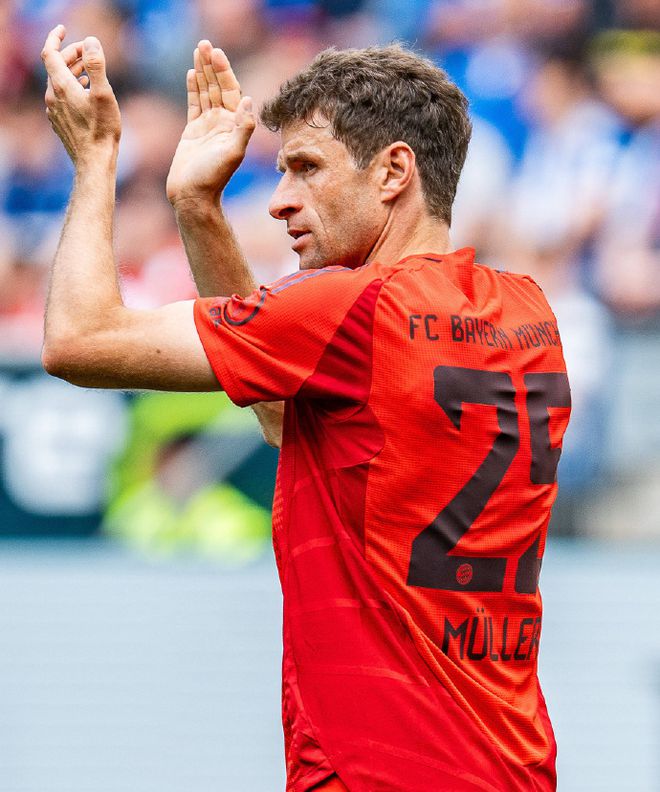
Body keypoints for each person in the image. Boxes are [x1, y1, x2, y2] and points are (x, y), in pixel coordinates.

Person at [40, 25, 570, 792]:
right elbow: (286, 417)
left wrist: (95, 160)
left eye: (307, 168)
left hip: (375, 770)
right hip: (509, 762)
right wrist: (197, 208)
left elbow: (77, 340)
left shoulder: (350, 310)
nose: (281, 201)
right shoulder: (527, 315)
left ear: (394, 172)